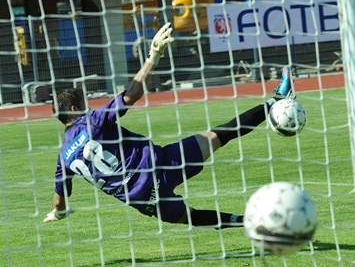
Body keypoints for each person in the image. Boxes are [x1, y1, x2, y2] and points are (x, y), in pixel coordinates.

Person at [44, 23, 294, 227]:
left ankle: (256, 224)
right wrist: (154, 54)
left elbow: (59, 200)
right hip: (163, 163)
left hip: (144, 199)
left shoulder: (64, 157)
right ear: (75, 110)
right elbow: (131, 95)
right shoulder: (93, 122)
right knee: (223, 133)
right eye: (83, 104)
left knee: (192, 217)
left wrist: (58, 213)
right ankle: (276, 100)